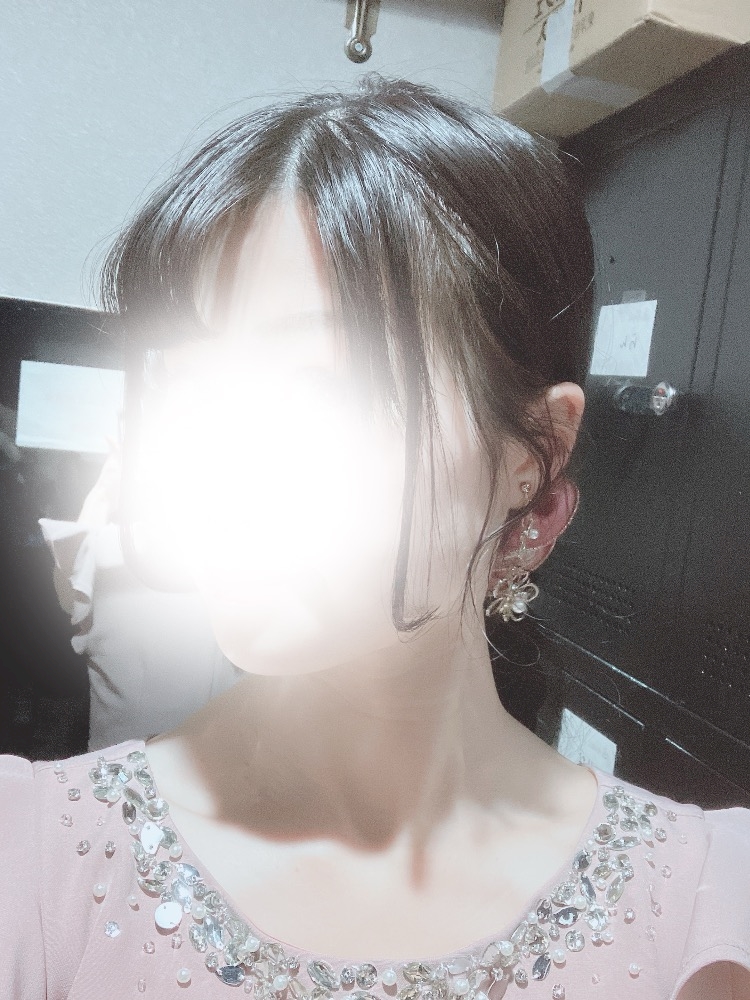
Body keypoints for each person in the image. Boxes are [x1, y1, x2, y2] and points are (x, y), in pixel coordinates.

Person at [2, 78, 749, 1000]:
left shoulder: (707, 909)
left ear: (532, 455)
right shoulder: (29, 857)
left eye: (319, 384)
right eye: (193, 382)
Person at [39, 448, 242, 751]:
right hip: (188, 752)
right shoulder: (108, 549)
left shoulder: (104, 549)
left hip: (146, 752)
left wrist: (106, 487)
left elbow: (70, 591)